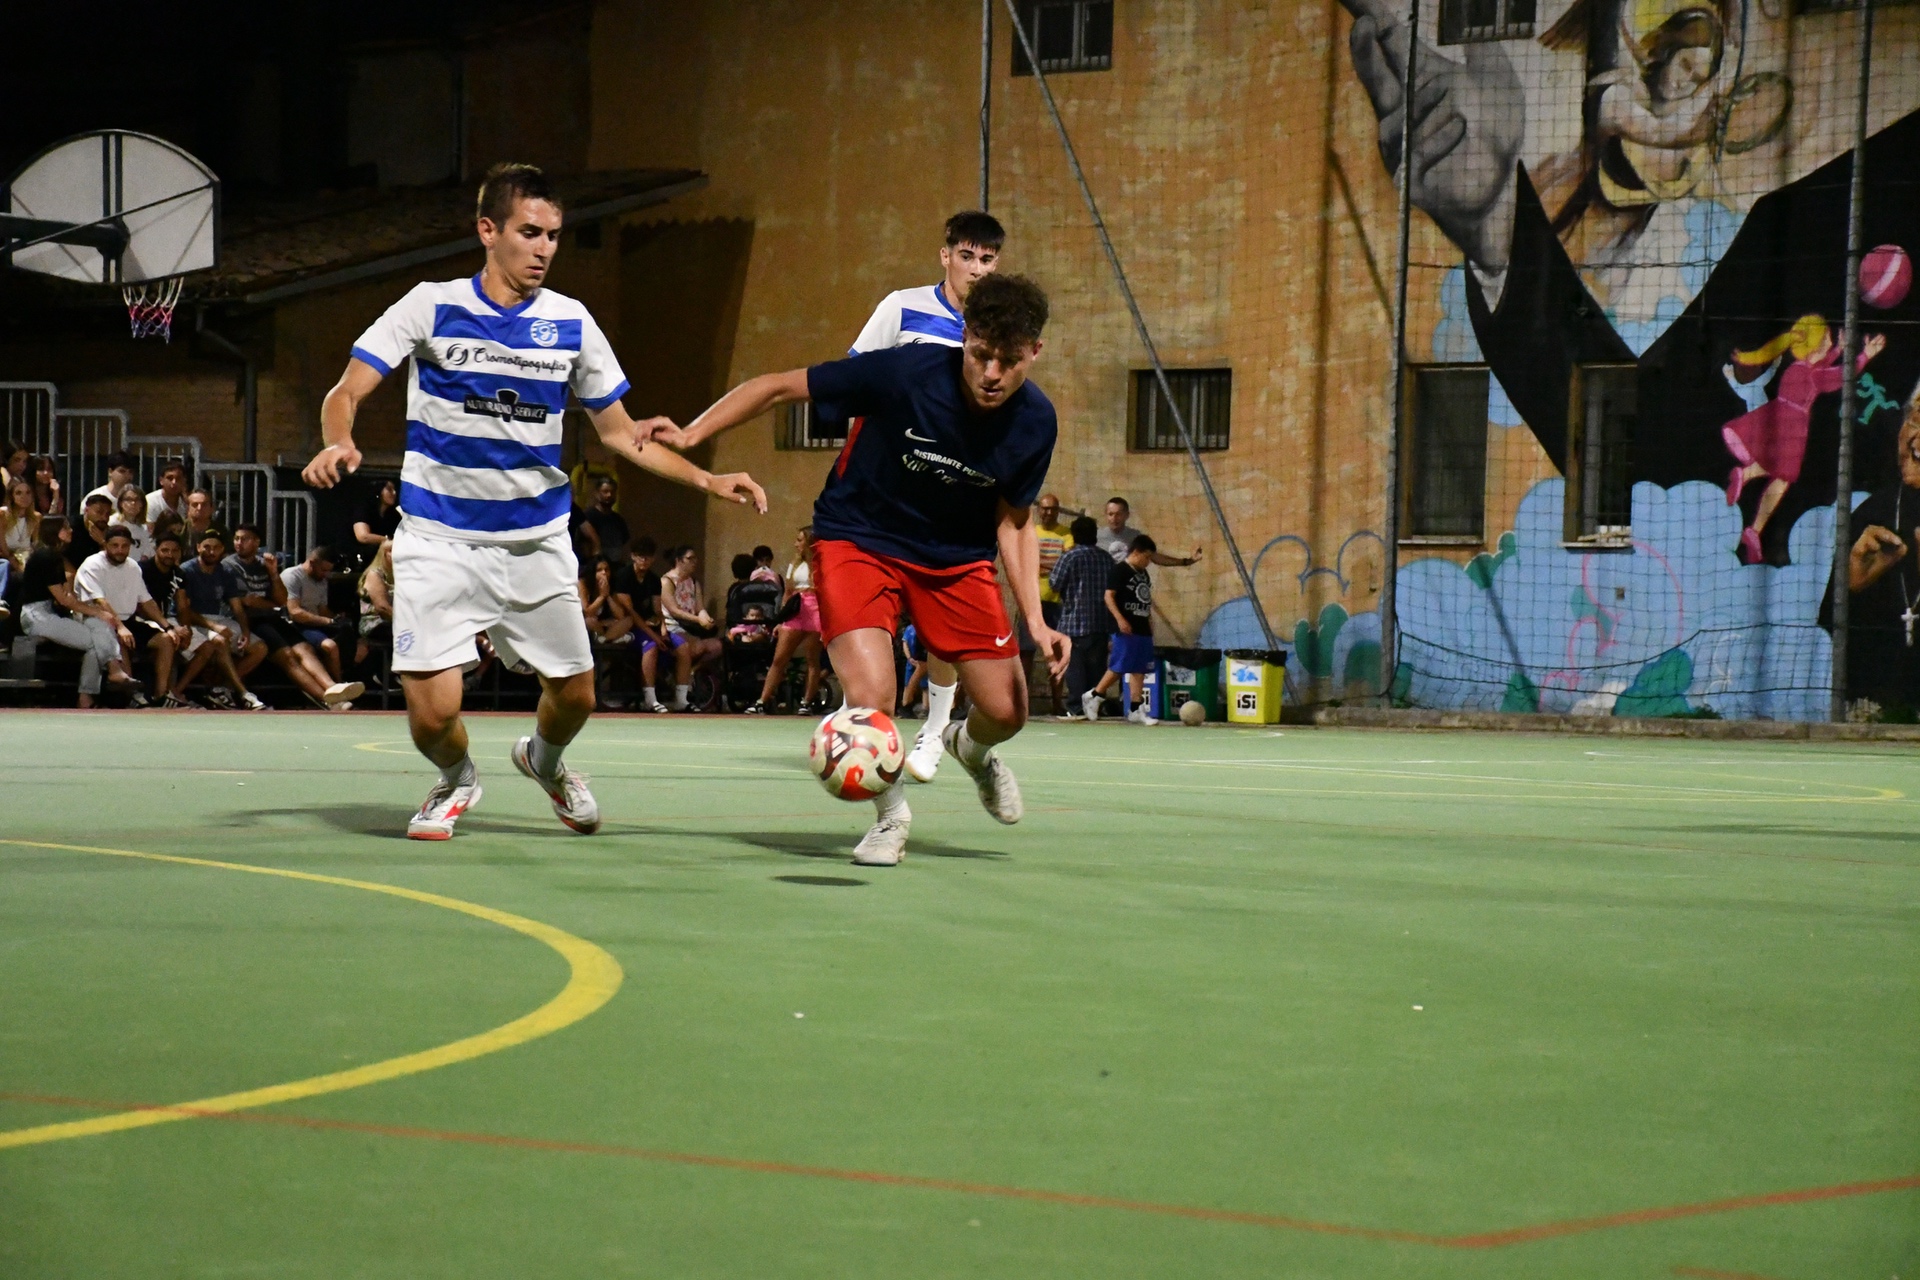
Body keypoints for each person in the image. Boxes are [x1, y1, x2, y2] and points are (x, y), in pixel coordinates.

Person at [299, 162, 766, 838]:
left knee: (577, 697)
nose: (544, 248)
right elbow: (345, 390)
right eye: (529, 232)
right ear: (488, 230)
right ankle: (456, 779)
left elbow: (621, 435)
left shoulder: (571, 322)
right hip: (438, 538)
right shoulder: (430, 305)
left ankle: (543, 761)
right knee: (432, 716)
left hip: (535, 544)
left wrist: (707, 480)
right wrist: (338, 439)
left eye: (553, 235)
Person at [666, 272, 1068, 866]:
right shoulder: (904, 373)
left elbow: (1013, 522)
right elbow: (777, 388)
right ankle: (892, 816)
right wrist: (693, 433)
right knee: (871, 695)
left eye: (1008, 362)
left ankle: (971, 749)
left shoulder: (1035, 421)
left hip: (955, 560)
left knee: (1008, 711)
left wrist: (1035, 620)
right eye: (980, 354)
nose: (990, 373)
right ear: (964, 336)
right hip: (859, 539)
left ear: (1034, 352)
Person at [837, 209, 1007, 784]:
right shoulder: (902, 308)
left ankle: (935, 731)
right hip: (882, 495)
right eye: (967, 256)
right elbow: (855, 381)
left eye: (987, 259)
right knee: (871, 615)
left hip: (953, 496)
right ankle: (864, 712)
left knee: (944, 632)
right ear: (945, 255)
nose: (976, 268)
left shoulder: (996, 331)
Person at [1722, 317, 1886, 564]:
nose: (1830, 341)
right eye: (1827, 339)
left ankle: (1745, 480)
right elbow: (1840, 375)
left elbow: (1820, 368)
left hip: (1778, 418)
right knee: (1782, 478)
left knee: (1775, 469)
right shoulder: (1813, 375)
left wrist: (1838, 350)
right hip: (1793, 428)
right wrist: (1865, 356)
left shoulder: (1798, 368)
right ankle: (1754, 526)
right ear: (1816, 345)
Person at [225, 523, 362, 709]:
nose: (239, 543)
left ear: (257, 542)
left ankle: (333, 688)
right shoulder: (230, 565)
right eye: (237, 539)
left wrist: (274, 573)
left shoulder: (264, 564)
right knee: (288, 656)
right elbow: (248, 602)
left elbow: (281, 599)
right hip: (249, 620)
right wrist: (271, 603)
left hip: (271, 618)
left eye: (245, 539)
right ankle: (327, 700)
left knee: (305, 649)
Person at [16, 518, 138, 708]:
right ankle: (104, 677)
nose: (71, 530)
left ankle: (90, 693)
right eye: (66, 528)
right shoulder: (45, 556)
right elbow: (63, 599)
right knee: (95, 640)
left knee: (99, 628)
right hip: (36, 616)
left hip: (51, 612)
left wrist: (93, 613)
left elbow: (68, 595)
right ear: (56, 532)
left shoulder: (56, 556)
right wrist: (97, 612)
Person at [73, 524, 174, 708]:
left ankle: (161, 695)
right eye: (115, 545)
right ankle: (133, 698)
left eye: (124, 546)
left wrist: (167, 626)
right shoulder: (92, 565)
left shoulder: (133, 567)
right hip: (99, 620)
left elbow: (146, 601)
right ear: (105, 544)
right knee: (121, 639)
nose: (120, 550)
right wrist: (120, 626)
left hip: (128, 620)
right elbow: (100, 601)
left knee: (166, 640)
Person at [174, 530, 269, 711]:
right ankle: (243, 693)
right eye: (207, 547)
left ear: (222, 550)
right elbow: (184, 610)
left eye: (216, 548)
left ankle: (222, 689)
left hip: (219, 619)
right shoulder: (187, 570)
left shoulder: (226, 571)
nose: (211, 551)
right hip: (190, 620)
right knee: (220, 640)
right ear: (198, 547)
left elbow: (237, 607)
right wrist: (213, 626)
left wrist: (245, 631)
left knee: (260, 648)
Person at [142, 530, 237, 707]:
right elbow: (141, 606)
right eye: (165, 550)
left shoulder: (179, 573)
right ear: (156, 550)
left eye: (174, 551)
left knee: (207, 647)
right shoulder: (143, 570)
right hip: (144, 620)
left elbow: (182, 606)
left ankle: (176, 692)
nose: (170, 555)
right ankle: (161, 695)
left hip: (167, 620)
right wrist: (170, 628)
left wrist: (187, 630)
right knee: (170, 640)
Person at [745, 525, 826, 714]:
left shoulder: (821, 563)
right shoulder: (794, 564)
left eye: (800, 540)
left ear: (809, 542)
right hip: (796, 609)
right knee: (779, 658)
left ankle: (806, 702)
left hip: (815, 609)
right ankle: (762, 701)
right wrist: (781, 620)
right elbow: (788, 592)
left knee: (812, 659)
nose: (796, 544)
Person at [1084, 535, 1158, 724]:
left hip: (1142, 626)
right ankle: (1095, 695)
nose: (1149, 562)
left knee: (1140, 668)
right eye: (1147, 557)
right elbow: (1109, 596)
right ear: (1136, 552)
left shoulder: (1143, 573)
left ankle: (1135, 708)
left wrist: (1149, 619)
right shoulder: (1120, 570)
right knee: (1120, 665)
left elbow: (1144, 598)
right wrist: (1120, 619)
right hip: (1126, 626)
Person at [1049, 515, 1112, 715]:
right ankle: (1094, 706)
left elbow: (1054, 583)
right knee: (1097, 668)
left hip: (1074, 622)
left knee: (1075, 669)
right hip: (1101, 622)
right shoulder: (1106, 558)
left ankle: (1076, 708)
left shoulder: (1070, 557)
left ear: (1074, 535)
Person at [657, 545, 723, 710]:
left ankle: (691, 671)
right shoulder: (666, 581)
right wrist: (698, 619)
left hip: (691, 629)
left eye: (695, 558)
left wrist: (705, 617)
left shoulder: (694, 582)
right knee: (687, 648)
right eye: (690, 558)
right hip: (672, 627)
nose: (694, 562)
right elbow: (674, 610)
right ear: (679, 561)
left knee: (717, 646)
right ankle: (681, 698)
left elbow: (700, 607)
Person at [1031, 492, 1072, 713]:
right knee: (1026, 652)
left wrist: (1041, 566)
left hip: (1057, 602)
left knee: (1057, 652)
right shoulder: (1031, 532)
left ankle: (1057, 702)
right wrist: (1053, 566)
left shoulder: (1066, 534)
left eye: (1053, 509)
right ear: (1039, 510)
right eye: (1045, 508)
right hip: (1032, 603)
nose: (1048, 512)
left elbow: (1067, 562)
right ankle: (1023, 701)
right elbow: (1027, 563)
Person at [281, 544, 347, 681]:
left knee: (350, 637)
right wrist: (328, 621)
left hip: (315, 624)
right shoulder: (292, 576)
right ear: (312, 563)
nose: (325, 574)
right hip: (294, 625)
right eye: (323, 570)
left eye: (328, 571)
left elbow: (322, 610)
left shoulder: (321, 581)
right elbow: (295, 612)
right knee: (330, 646)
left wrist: (336, 618)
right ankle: (338, 683)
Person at [1094, 496, 1201, 567]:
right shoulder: (1096, 536)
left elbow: (1154, 557)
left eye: (1118, 514)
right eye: (1111, 514)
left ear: (1127, 515)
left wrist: (1186, 561)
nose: (1114, 518)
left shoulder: (1135, 536)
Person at [356, 538, 395, 669]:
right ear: (383, 554)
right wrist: (406, 622)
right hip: (375, 623)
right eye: (391, 551)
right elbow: (382, 608)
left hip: (394, 621)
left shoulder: (399, 575)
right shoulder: (375, 574)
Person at [352, 478, 401, 571]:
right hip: (360, 557)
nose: (394, 493)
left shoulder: (393, 515)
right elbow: (363, 536)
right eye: (389, 489)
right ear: (378, 491)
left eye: (394, 489)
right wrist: (388, 540)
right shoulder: (364, 509)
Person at [580, 476, 630, 562]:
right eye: (605, 491)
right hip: (593, 565)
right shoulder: (587, 517)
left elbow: (624, 546)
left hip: (615, 566)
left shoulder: (619, 520)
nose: (609, 495)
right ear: (597, 493)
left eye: (612, 492)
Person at [65, 493, 113, 570]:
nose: (104, 518)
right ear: (86, 510)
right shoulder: (70, 527)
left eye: (107, 514)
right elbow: (58, 554)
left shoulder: (109, 532)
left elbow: (114, 561)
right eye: (99, 512)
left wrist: (102, 542)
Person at [115, 485, 154, 561]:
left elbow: (148, 550)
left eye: (137, 500)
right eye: (128, 499)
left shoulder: (144, 528)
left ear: (142, 504)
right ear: (120, 503)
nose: (133, 503)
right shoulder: (113, 523)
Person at [146, 459, 189, 526]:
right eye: (170, 478)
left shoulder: (186, 503)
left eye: (178, 478)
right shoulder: (150, 501)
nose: (174, 482)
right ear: (161, 481)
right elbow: (149, 529)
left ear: (184, 481)